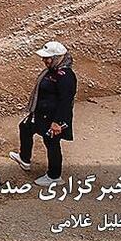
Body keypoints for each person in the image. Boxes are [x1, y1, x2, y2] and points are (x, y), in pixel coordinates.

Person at [9, 41, 77, 185]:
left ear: (57, 58)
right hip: (41, 114)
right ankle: (24, 158)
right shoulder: (52, 71)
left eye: (47, 58)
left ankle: (54, 176)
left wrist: (57, 122)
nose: (44, 61)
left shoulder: (65, 76)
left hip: (53, 118)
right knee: (25, 128)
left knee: (51, 143)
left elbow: (66, 101)